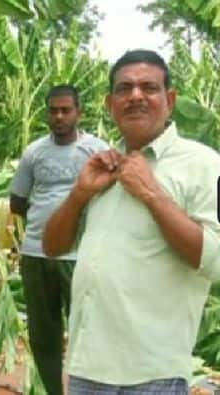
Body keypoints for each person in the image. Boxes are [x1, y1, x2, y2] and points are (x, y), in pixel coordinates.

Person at [43, 49, 220, 394]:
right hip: (86, 369)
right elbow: (53, 247)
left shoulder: (204, 165)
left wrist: (152, 194)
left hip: (152, 375)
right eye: (124, 89)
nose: (136, 96)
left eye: (148, 88)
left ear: (169, 100)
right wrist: (79, 194)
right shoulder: (105, 166)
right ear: (110, 104)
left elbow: (217, 261)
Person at [9, 85, 108, 395]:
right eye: (53, 110)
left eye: (66, 110)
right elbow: (18, 201)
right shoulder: (34, 153)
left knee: (87, 330)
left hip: (81, 256)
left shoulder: (96, 151)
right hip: (37, 253)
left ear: (79, 112)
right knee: (43, 332)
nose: (59, 116)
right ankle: (53, 391)